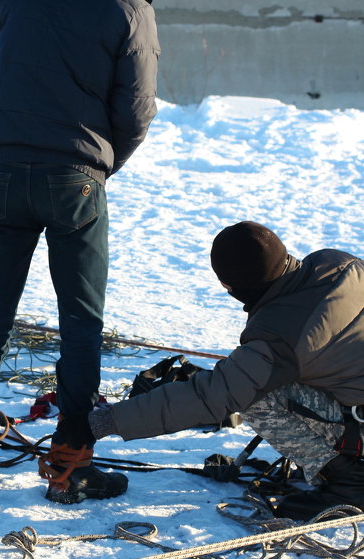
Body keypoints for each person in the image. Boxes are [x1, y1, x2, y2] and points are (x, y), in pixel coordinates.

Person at [0, 0, 161, 503]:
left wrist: (17, 133)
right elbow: (137, 110)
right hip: (77, 178)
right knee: (80, 323)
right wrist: (100, 164)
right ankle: (70, 459)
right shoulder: (130, 8)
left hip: (4, 168)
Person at [76, 221, 364, 520]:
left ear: (234, 287)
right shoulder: (336, 263)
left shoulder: (277, 336)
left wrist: (106, 422)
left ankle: (349, 483)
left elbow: (213, 395)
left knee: (256, 396)